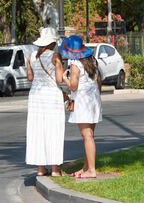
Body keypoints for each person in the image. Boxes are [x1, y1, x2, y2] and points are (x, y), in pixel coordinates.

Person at [59, 35, 102, 179]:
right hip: (94, 101)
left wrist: (65, 78)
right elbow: (99, 81)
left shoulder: (75, 65)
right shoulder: (92, 61)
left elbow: (74, 86)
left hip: (83, 102)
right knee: (90, 136)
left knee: (87, 136)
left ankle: (91, 170)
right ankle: (86, 167)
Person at [25, 27, 65, 176]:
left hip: (35, 96)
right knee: (54, 130)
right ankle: (55, 169)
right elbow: (59, 80)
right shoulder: (55, 56)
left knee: (37, 130)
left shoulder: (31, 56)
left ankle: (40, 169)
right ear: (52, 43)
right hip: (52, 96)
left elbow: (30, 77)